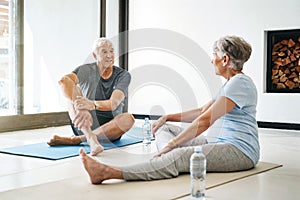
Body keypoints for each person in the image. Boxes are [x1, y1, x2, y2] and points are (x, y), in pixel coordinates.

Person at [79, 35, 260, 183]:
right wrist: (167, 117)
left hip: (239, 151)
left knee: (180, 155)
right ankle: (165, 160)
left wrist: (174, 145)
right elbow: (200, 112)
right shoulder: (230, 84)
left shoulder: (239, 84)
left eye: (214, 55)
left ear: (225, 59)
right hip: (215, 143)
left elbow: (205, 121)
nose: (211, 60)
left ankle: (108, 173)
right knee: (164, 128)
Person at [47, 38, 135, 156]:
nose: (109, 55)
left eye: (112, 51)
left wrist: (92, 104)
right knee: (73, 93)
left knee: (128, 119)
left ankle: (79, 139)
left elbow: (113, 103)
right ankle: (89, 137)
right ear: (95, 55)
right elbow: (63, 81)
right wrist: (82, 106)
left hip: (110, 129)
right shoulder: (85, 70)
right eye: (104, 52)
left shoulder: (123, 75)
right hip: (84, 122)